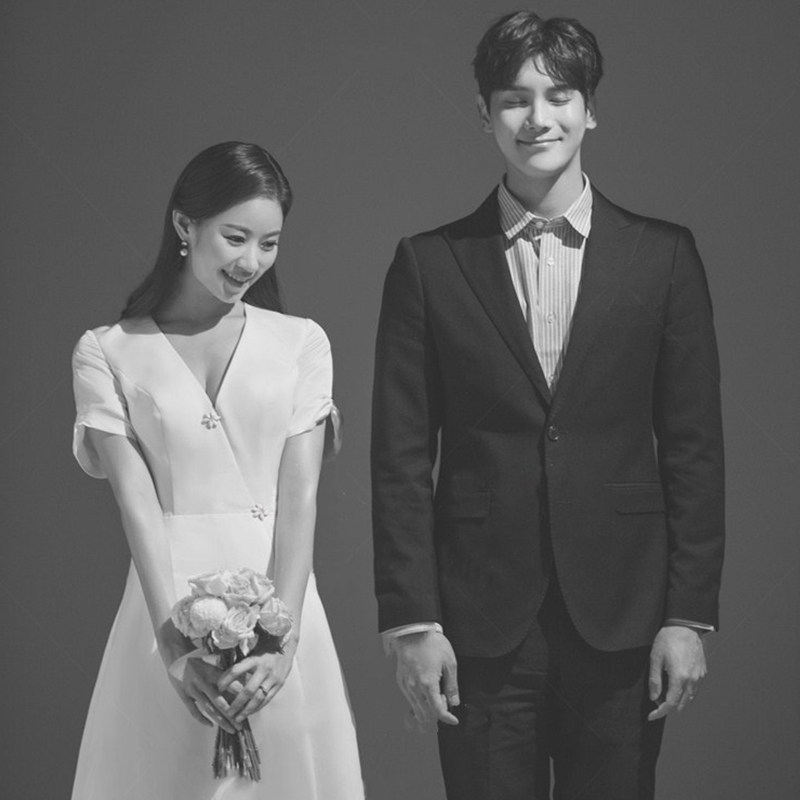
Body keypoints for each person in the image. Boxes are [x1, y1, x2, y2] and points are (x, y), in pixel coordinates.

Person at [371, 11, 723, 800]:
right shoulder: (429, 264)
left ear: (590, 109)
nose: (538, 118)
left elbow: (696, 448)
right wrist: (413, 622)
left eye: (559, 96)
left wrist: (688, 615)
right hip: (477, 622)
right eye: (515, 99)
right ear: (485, 114)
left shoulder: (664, 257)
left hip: (625, 619)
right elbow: (398, 460)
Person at [70, 141, 364, 799]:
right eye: (235, 237)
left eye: (269, 243)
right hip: (163, 611)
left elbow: (300, 500)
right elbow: (139, 508)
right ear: (185, 224)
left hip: (282, 609)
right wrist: (175, 650)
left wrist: (284, 643)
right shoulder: (108, 351)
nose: (250, 261)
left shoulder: (301, 343)